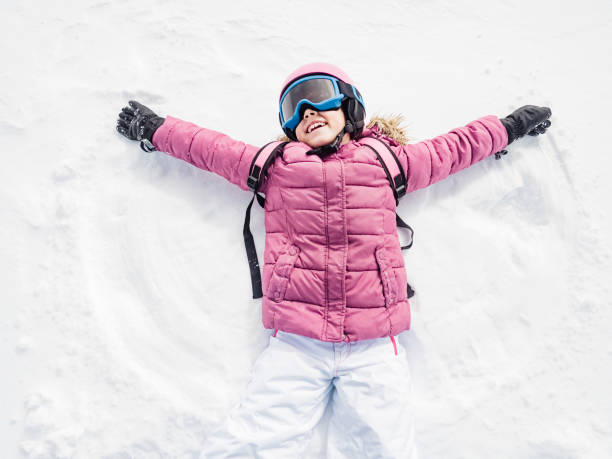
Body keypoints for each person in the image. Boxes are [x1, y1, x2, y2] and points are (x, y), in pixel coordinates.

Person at [116, 63, 551, 458]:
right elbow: (211, 148)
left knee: (384, 446)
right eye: (295, 109)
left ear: (350, 108)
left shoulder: (385, 162)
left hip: (374, 340)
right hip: (296, 339)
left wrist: (509, 128)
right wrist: (155, 130)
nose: (308, 112)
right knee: (255, 437)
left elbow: (451, 150)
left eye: (319, 97)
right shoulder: (276, 164)